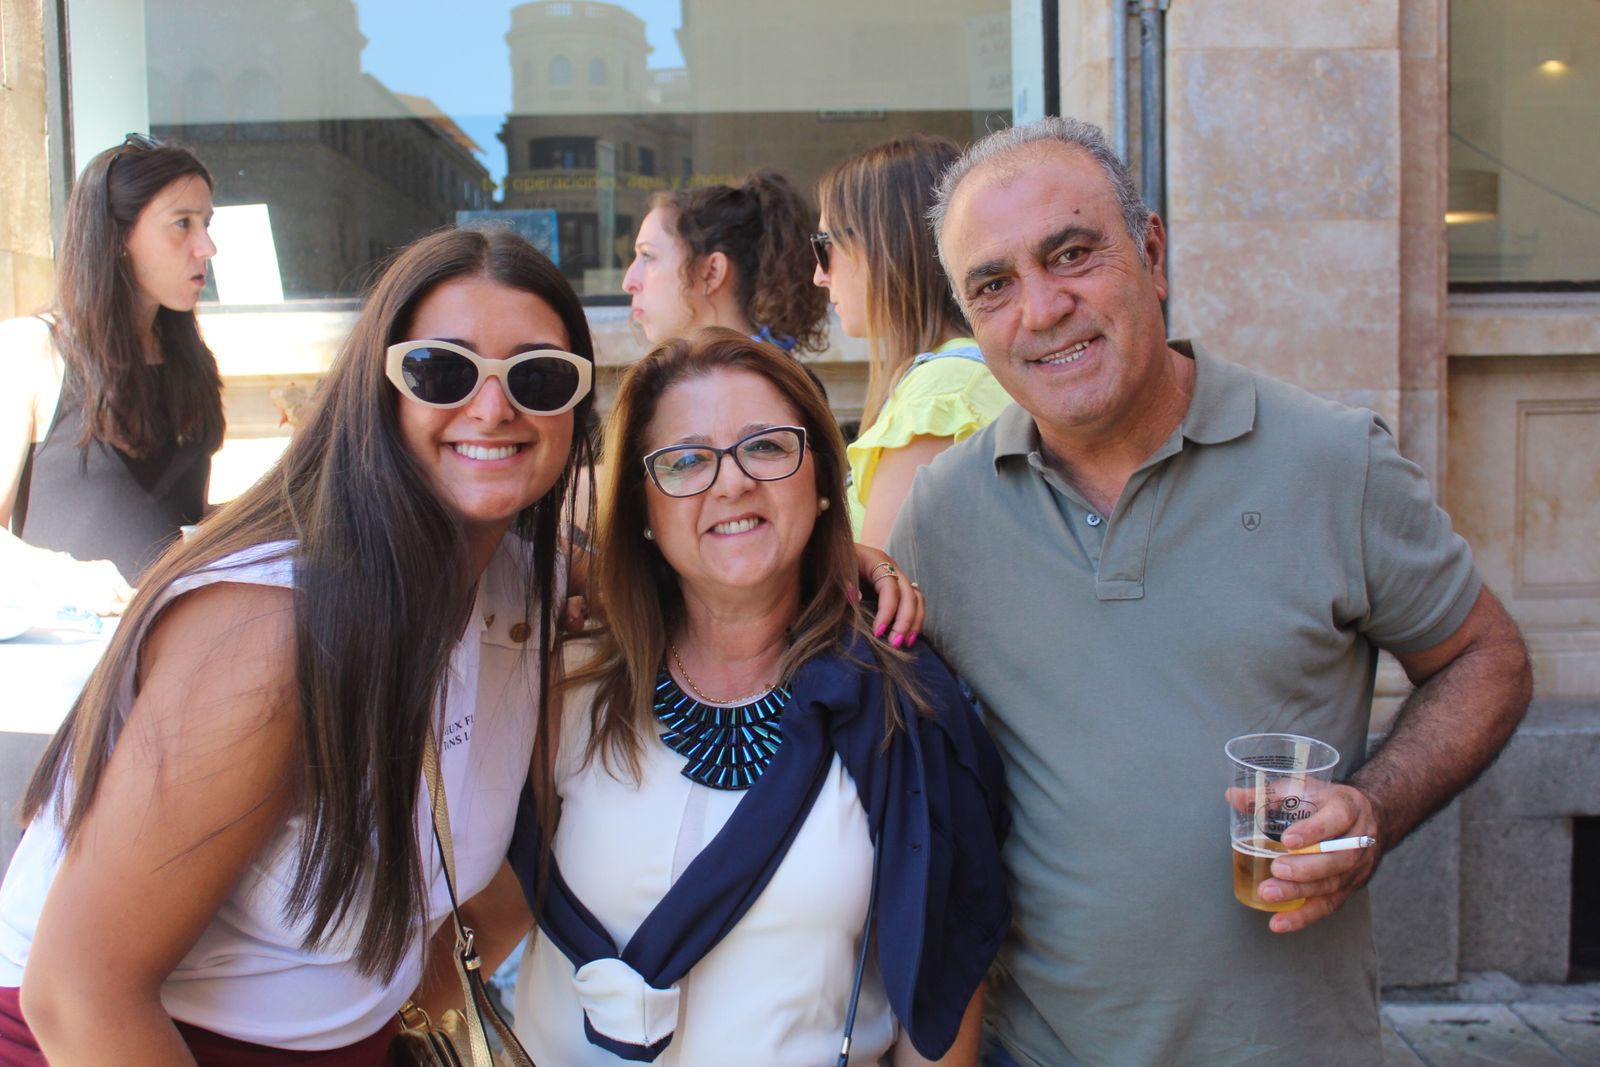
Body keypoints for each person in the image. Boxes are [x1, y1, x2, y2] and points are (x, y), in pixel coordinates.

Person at [886, 117, 1534, 1067]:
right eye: (994, 285)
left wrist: (1376, 807)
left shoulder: (1331, 461)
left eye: (1072, 254)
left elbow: (1489, 658)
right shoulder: (945, 508)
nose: (1042, 308)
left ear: (1151, 254)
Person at [0, 226, 598, 1065]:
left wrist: (840, 551)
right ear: (377, 394)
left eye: (538, 377)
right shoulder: (272, 629)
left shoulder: (519, 582)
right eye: (441, 370)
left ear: (577, 411)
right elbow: (79, 996)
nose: (493, 407)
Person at [503, 329, 1010, 1066]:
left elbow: (947, 987)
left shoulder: (903, 705)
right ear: (644, 508)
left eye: (767, 447)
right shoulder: (565, 685)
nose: (731, 481)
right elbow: (472, 911)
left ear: (822, 478)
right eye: (684, 459)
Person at [0, 133, 224, 613]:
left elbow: (177, 519)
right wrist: (63, 576)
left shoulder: (193, 363)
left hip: (175, 651)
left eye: (207, 223)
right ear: (118, 236)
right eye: (182, 224)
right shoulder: (32, 348)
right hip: (70, 662)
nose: (207, 246)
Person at [813, 136, 1010, 546]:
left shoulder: (942, 394)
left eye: (824, 247)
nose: (819, 274)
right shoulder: (960, 375)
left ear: (884, 243)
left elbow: (880, 598)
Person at [622, 171, 829, 362]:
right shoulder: (757, 376)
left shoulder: (743, 388)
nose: (629, 282)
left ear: (712, 272)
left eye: (648, 256)